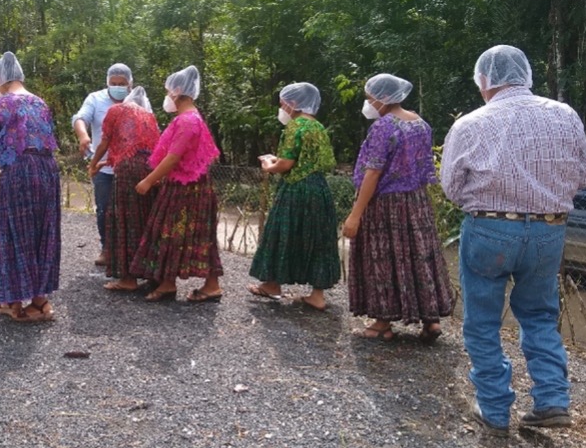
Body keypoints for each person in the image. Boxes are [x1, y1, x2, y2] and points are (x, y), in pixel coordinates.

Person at [441, 45, 586, 436]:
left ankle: (493, 409)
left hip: (489, 229)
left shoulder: (471, 124)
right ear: (526, 74)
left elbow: (452, 187)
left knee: (482, 321)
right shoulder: (564, 115)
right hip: (549, 230)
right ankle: (552, 400)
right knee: (540, 314)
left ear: (483, 80)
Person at [343, 73, 453, 342]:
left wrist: (355, 215)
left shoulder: (384, 126)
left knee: (384, 258)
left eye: (370, 98)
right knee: (420, 256)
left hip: (386, 205)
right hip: (416, 203)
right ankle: (431, 320)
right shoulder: (420, 124)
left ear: (382, 98)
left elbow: (373, 173)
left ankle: (382, 322)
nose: (368, 103)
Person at [130, 65, 224, 302]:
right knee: (188, 233)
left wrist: (149, 181)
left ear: (178, 91)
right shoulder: (188, 118)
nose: (167, 96)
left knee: (172, 232)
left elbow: (173, 157)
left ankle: (189, 284)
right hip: (188, 185)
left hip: (187, 188)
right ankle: (171, 282)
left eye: (168, 90)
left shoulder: (188, 121)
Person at [0, 52, 61, 322]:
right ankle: (40, 300)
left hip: (18, 171)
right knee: (42, 231)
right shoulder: (40, 103)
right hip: (48, 170)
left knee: (14, 232)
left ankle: (14, 301)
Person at [247, 83, 340, 310]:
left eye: (283, 104)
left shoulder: (295, 127)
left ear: (294, 103)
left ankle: (272, 284)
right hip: (319, 188)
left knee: (282, 232)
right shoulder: (318, 127)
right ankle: (317, 295)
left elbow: (286, 164)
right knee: (318, 237)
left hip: (296, 189)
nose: (282, 109)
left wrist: (268, 163)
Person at [88, 86, 161, 291]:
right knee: (146, 219)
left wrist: (94, 164)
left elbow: (105, 143)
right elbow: (140, 148)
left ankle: (127, 279)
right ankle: (151, 273)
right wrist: (105, 164)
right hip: (150, 170)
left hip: (128, 171)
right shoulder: (149, 117)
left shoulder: (116, 110)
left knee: (125, 219)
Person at [72, 64, 133, 267]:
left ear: (129, 84)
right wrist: (83, 136)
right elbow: (81, 118)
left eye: (121, 84)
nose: (117, 87)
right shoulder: (95, 99)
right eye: (113, 84)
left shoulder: (137, 100)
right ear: (107, 82)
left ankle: (129, 251)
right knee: (104, 209)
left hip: (131, 167)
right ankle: (107, 248)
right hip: (103, 167)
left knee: (131, 210)